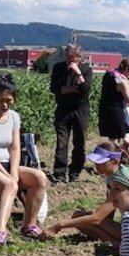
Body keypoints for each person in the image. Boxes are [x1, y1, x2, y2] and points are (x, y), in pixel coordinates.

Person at [0, 73, 50, 247]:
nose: (5, 104)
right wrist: (7, 175)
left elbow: (14, 148)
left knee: (39, 178)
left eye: (9, 100)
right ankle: (0, 232)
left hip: (7, 164)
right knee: (10, 185)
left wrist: (13, 171)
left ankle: (29, 224)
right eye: (1, 100)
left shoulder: (14, 117)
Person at [45, 145, 124, 246]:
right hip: (126, 228)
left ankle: (115, 242)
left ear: (115, 162)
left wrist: (61, 224)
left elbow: (97, 218)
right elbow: (108, 213)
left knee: (83, 219)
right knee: (78, 216)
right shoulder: (111, 177)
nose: (96, 165)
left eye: (100, 162)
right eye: (95, 162)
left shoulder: (120, 182)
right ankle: (111, 241)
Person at [49, 45, 93, 184]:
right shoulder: (58, 68)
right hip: (63, 109)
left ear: (79, 58)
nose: (69, 61)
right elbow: (54, 88)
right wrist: (69, 89)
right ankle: (60, 173)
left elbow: (85, 89)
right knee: (62, 142)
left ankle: (75, 172)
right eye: (67, 57)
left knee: (79, 142)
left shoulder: (86, 70)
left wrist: (78, 73)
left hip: (80, 110)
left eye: (72, 58)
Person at [97, 58, 129, 148]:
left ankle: (114, 157)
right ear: (127, 68)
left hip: (105, 108)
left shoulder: (109, 75)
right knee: (115, 139)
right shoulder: (122, 81)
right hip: (116, 110)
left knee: (111, 137)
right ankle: (115, 158)